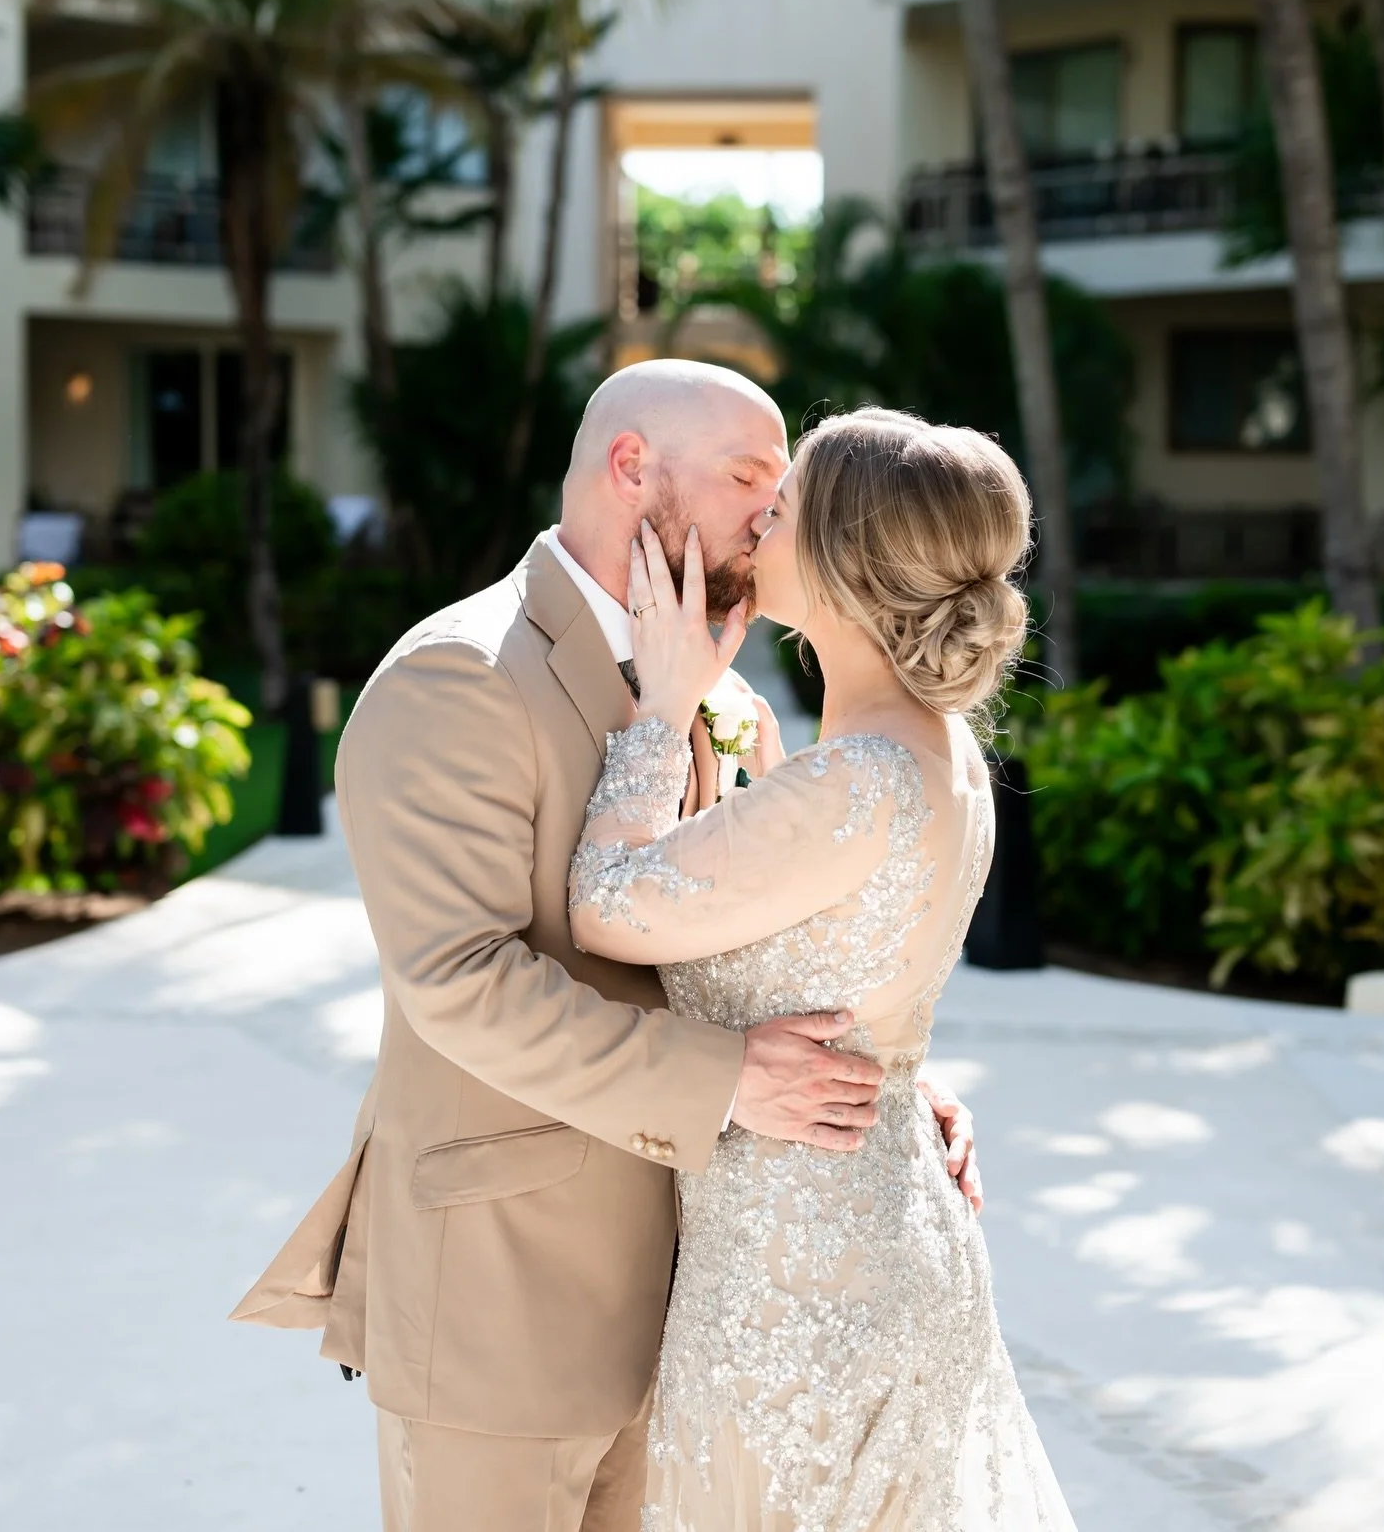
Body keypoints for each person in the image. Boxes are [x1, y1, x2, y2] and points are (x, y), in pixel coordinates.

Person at [230, 361, 979, 1532]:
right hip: (506, 1304)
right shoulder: (457, 678)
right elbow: (458, 981)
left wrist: (880, 1077)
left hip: (708, 1315)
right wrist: (731, 1078)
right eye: (751, 477)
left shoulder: (730, 694)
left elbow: (770, 935)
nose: (772, 513)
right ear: (634, 467)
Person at [569, 408, 1077, 1531]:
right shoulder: (943, 753)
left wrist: (662, 710)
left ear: (845, 560)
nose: (759, 519)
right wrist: (908, 1075)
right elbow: (854, 957)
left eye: (785, 505)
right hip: (886, 1226)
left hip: (794, 1289)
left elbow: (602, 905)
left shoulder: (855, 781)